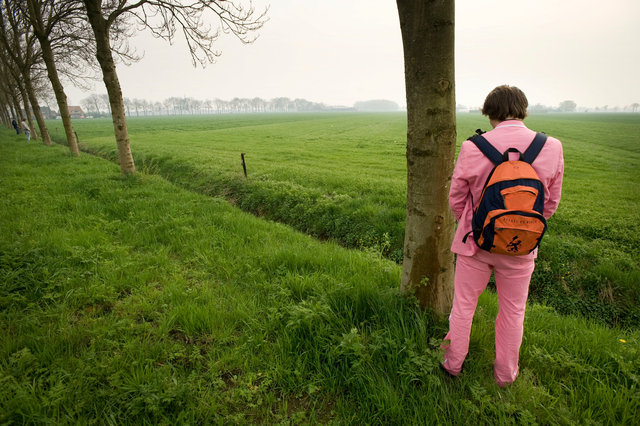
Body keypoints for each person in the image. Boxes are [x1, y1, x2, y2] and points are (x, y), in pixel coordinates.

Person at [441, 85, 564, 387]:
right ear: (523, 110)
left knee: (464, 305)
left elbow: (456, 197)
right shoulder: (552, 147)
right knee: (513, 312)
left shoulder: (473, 147)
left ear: (489, 112)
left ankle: (452, 364)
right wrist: (522, 228)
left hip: (475, 246)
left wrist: (473, 227)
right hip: (521, 248)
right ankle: (505, 376)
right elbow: (550, 203)